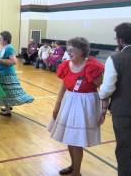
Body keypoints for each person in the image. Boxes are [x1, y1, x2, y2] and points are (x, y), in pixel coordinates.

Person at [48, 37, 104, 176]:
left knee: (76, 140)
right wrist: (57, 105)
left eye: (73, 49)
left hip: (85, 104)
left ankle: (77, 173)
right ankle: (73, 166)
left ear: (82, 51)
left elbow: (103, 90)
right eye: (68, 49)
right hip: (69, 101)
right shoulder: (67, 65)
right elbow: (63, 87)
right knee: (69, 137)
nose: (69, 52)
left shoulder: (92, 67)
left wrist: (103, 110)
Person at [99, 22, 131, 176]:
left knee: (125, 152)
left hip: (122, 114)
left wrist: (101, 98)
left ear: (120, 40)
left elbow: (107, 89)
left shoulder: (115, 59)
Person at [0, 31, 34, 116]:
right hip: (2, 74)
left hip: (7, 75)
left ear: (6, 39)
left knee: (9, 92)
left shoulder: (9, 48)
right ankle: (7, 109)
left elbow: (13, 61)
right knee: (6, 92)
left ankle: (8, 111)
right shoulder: (3, 48)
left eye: (0, 38)